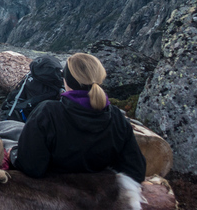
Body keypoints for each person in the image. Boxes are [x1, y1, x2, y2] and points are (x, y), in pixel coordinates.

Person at [12, 53, 146, 182]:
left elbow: (31, 167)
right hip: (98, 196)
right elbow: (136, 171)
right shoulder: (116, 116)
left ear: (66, 80)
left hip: (58, 195)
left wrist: (13, 153)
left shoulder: (48, 112)